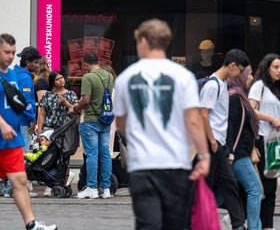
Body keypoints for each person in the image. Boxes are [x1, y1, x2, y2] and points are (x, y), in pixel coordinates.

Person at [113, 18, 209, 230]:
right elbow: (193, 121)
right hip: (176, 163)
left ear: (144, 41)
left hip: (143, 164)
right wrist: (203, 156)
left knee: (148, 224)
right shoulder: (184, 77)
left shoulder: (124, 79)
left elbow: (121, 125)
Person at [0, 32, 55, 230]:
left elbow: (16, 102)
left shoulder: (13, 74)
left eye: (13, 53)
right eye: (6, 52)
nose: (10, 56)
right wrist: (3, 124)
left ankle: (30, 223)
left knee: (20, 180)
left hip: (12, 141)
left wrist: (30, 115)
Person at [198, 49, 249, 230]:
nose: (240, 75)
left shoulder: (222, 84)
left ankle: (238, 223)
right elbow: (204, 115)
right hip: (212, 144)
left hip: (219, 145)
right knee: (204, 187)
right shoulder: (213, 85)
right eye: (241, 70)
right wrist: (212, 142)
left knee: (230, 185)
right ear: (233, 65)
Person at [248, 54, 280, 230]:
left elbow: (276, 120)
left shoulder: (277, 89)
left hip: (274, 142)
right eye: (276, 67)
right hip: (260, 141)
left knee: (271, 187)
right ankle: (249, 222)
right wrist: (271, 119)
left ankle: (267, 226)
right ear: (267, 68)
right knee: (263, 187)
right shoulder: (259, 86)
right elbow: (250, 110)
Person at [75, 51, 116, 200]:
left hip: (90, 120)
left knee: (92, 154)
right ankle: (106, 188)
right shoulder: (109, 76)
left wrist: (75, 109)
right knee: (105, 154)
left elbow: (86, 100)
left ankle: (91, 187)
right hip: (105, 120)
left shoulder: (88, 77)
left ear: (86, 63)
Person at [227, 67, 263, 230]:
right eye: (249, 74)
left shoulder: (241, 97)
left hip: (241, 154)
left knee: (225, 192)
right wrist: (231, 153)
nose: (251, 78)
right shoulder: (235, 98)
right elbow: (231, 127)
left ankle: (235, 220)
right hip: (238, 155)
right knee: (255, 190)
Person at [33, 71, 78, 140]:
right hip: (49, 130)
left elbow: (77, 110)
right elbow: (42, 115)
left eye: (61, 78)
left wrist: (66, 103)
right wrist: (39, 132)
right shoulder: (47, 95)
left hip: (65, 129)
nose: (61, 80)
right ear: (53, 83)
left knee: (65, 150)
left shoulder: (71, 94)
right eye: (57, 79)